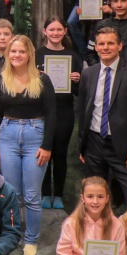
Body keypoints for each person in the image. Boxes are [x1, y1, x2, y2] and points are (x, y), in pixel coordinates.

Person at [0, 35, 56, 255]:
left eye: (21, 52)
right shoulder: (1, 79)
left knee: (32, 196)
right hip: (6, 136)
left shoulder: (43, 79)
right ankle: (13, 236)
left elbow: (52, 114)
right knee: (12, 194)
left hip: (35, 136)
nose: (17, 55)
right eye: (13, 51)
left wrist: (47, 145)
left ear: (29, 54)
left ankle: (31, 240)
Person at [78, 27, 127, 205]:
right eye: (101, 43)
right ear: (95, 47)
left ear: (120, 46)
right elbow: (83, 111)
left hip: (125, 148)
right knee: (94, 200)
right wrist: (83, 146)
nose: (105, 47)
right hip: (94, 145)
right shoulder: (89, 73)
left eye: (110, 43)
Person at [35, 17, 83, 211]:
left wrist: (78, 81)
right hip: (41, 110)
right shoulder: (37, 56)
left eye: (59, 30)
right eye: (51, 30)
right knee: (44, 152)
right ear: (44, 31)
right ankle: (45, 193)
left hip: (64, 110)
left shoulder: (74, 57)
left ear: (65, 32)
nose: (55, 33)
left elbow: (79, 93)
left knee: (61, 153)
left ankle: (60, 196)